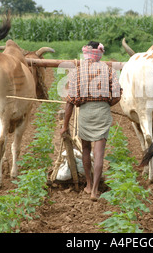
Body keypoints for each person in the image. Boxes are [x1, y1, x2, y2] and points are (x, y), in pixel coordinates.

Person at [60, 41, 122, 201]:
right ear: (99, 54)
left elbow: (70, 102)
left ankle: (88, 185)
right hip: (102, 112)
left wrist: (65, 126)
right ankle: (95, 190)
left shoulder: (77, 72)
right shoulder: (108, 70)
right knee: (99, 153)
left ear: (86, 54)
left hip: (85, 113)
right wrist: (106, 103)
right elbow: (117, 95)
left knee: (86, 150)